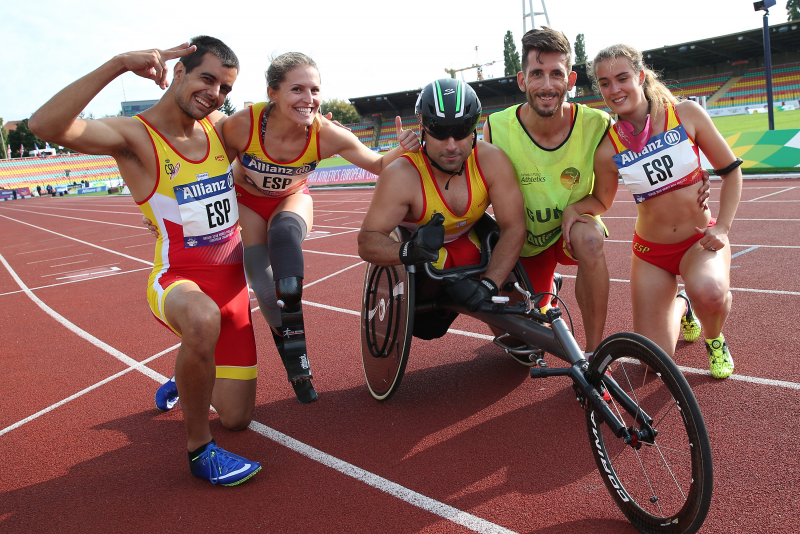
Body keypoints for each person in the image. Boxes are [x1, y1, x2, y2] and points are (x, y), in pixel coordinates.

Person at [29, 36, 262, 485]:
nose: (216, 93)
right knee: (199, 321)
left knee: (237, 418)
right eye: (207, 79)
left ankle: (189, 377)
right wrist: (117, 63)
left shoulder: (218, 127)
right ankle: (200, 451)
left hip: (233, 288)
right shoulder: (133, 135)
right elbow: (44, 125)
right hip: (178, 280)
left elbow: (284, 139)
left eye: (226, 87)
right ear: (179, 72)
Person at [483, 28, 710, 357]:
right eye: (537, 74)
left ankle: (591, 354)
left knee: (591, 238)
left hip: (571, 232)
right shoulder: (497, 127)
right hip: (522, 242)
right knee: (521, 348)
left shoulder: (599, 124)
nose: (547, 85)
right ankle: (544, 291)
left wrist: (698, 172)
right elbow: (475, 187)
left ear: (571, 79)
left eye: (556, 74)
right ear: (521, 80)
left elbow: (654, 133)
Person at [221, 52, 419, 403]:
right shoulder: (242, 126)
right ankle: (295, 361)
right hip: (247, 201)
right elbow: (205, 165)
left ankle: (295, 324)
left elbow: (376, 164)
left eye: (315, 90)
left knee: (283, 235)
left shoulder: (324, 133)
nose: (308, 99)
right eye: (297, 89)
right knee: (266, 294)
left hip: (291, 198)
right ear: (273, 93)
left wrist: (400, 147)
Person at [584, 44, 741, 378]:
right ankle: (685, 305)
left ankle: (714, 339)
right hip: (651, 252)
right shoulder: (608, 147)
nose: (615, 89)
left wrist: (723, 227)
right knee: (652, 363)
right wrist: (573, 211)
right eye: (605, 83)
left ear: (640, 76)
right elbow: (601, 201)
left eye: (622, 78)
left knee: (711, 293)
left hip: (698, 242)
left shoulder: (686, 115)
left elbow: (731, 171)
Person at [358, 78, 525, 339]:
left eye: (460, 132)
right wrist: (409, 250)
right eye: (439, 131)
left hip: (473, 246)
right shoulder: (401, 174)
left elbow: (514, 227)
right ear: (422, 127)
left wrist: (489, 285)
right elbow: (367, 241)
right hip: (425, 262)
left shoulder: (491, 160)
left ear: (474, 129)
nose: (451, 145)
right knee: (426, 329)